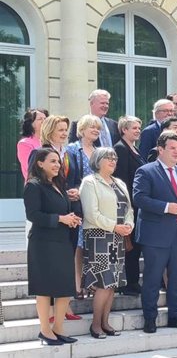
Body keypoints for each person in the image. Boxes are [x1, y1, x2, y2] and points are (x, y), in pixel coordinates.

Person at [133, 132, 177, 334]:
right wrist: (166, 207)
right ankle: (150, 318)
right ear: (160, 149)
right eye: (172, 148)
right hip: (155, 234)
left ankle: (175, 315)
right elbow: (140, 198)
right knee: (152, 278)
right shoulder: (146, 171)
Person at [24, 148, 81, 345]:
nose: (57, 165)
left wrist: (71, 218)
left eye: (58, 161)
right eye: (52, 161)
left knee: (64, 287)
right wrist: (60, 219)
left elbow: (62, 211)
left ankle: (58, 329)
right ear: (40, 163)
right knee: (45, 288)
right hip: (43, 244)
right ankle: (45, 331)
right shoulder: (33, 185)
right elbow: (33, 215)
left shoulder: (58, 184)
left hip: (62, 241)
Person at [79, 147, 133, 338]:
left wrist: (128, 224)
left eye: (114, 158)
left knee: (113, 283)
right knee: (103, 282)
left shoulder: (119, 183)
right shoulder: (89, 182)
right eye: (108, 157)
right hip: (98, 236)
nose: (113, 160)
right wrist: (114, 226)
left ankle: (105, 322)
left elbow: (129, 209)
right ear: (97, 160)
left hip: (117, 237)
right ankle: (95, 325)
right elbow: (92, 214)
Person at [66, 115, 103, 299]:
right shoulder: (72, 149)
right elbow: (69, 176)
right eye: (92, 127)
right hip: (79, 204)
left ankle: (91, 282)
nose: (96, 131)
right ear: (82, 129)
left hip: (96, 205)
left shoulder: (98, 151)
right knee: (80, 246)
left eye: (98, 128)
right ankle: (77, 284)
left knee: (93, 245)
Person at [113, 116, 146, 297]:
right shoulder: (120, 149)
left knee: (135, 246)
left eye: (139, 127)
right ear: (124, 130)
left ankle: (133, 280)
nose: (138, 131)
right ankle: (127, 282)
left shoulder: (135, 149)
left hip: (137, 206)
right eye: (134, 128)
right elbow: (122, 179)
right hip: (129, 206)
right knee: (129, 246)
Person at [17, 108, 48, 181]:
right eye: (40, 119)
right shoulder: (24, 143)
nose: (44, 121)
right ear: (31, 124)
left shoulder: (49, 141)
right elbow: (30, 168)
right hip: (36, 185)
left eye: (45, 119)